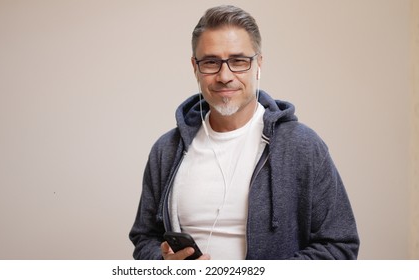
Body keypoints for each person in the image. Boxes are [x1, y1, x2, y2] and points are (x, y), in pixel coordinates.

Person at [129, 5, 360, 260]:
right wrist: (163, 263)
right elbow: (145, 238)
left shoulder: (301, 146)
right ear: (195, 67)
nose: (224, 76)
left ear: (258, 64)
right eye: (211, 62)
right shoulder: (166, 150)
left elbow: (340, 245)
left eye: (238, 61)